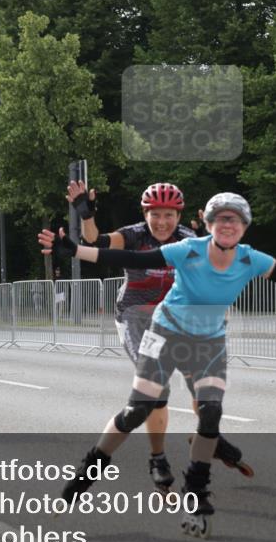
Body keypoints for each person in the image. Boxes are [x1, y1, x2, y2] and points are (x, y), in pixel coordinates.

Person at [39, 192, 276, 537]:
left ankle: (195, 493)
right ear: (208, 224)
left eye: (235, 220)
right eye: (220, 219)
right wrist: (76, 251)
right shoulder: (188, 249)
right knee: (139, 410)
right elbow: (131, 257)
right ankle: (85, 475)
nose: (227, 225)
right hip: (164, 332)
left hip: (207, 342)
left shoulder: (251, 259)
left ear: (245, 227)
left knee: (211, 411)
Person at [68, 181, 251, 490]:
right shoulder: (133, 236)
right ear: (145, 214)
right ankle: (158, 458)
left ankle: (210, 437)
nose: (162, 222)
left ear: (178, 216)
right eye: (155, 215)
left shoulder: (188, 240)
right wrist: (86, 213)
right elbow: (94, 240)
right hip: (136, 318)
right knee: (156, 389)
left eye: (169, 215)